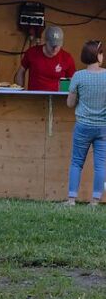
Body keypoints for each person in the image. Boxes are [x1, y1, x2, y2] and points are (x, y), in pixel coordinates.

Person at [64, 40, 106, 206]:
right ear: (98, 55)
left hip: (83, 125)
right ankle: (95, 201)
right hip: (103, 127)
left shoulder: (78, 76)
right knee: (100, 165)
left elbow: (70, 103)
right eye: (102, 52)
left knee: (76, 162)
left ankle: (71, 199)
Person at [15, 25, 75, 91]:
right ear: (45, 41)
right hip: (35, 98)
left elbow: (72, 80)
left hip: (56, 99)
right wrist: (19, 90)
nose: (55, 49)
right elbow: (21, 71)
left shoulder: (67, 58)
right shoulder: (32, 52)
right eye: (52, 45)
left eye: (57, 46)